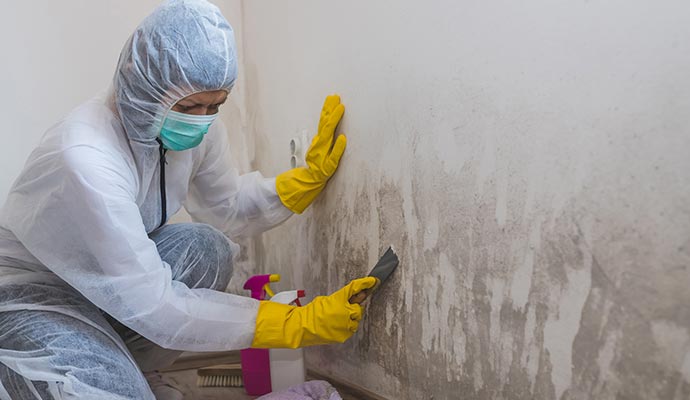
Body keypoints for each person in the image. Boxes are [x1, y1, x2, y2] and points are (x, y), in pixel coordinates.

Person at [0, 0, 376, 398]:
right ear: (139, 82)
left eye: (216, 105)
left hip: (110, 287)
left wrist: (299, 183)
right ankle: (22, 370)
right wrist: (292, 323)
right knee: (115, 391)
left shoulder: (196, 127)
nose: (201, 118)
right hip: (35, 293)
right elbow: (154, 304)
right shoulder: (85, 156)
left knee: (207, 248)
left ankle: (123, 365)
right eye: (189, 106)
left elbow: (226, 206)